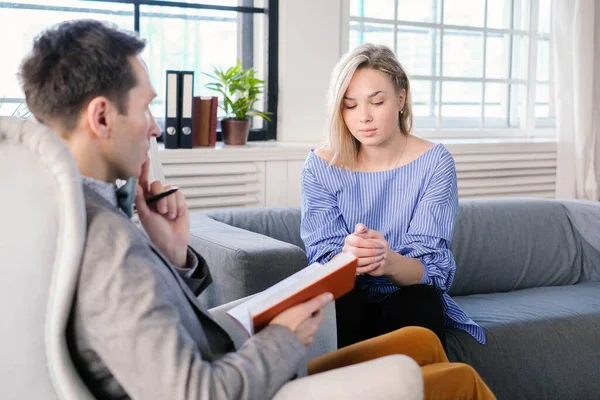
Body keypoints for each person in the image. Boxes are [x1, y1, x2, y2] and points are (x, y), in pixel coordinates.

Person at [19, 21, 494, 399]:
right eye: (147, 108)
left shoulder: (74, 212)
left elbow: (146, 324)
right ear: (102, 116)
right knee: (461, 384)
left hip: (234, 363)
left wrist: (174, 255)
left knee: (424, 341)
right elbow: (196, 391)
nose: (157, 127)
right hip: (246, 382)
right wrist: (284, 333)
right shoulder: (108, 241)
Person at [300, 43, 485, 350]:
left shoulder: (435, 162)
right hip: (348, 295)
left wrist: (385, 261)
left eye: (377, 102)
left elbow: (433, 271)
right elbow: (320, 259)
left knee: (419, 302)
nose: (364, 117)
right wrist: (348, 256)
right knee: (342, 301)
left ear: (401, 99)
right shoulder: (321, 166)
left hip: (409, 293)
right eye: (350, 105)